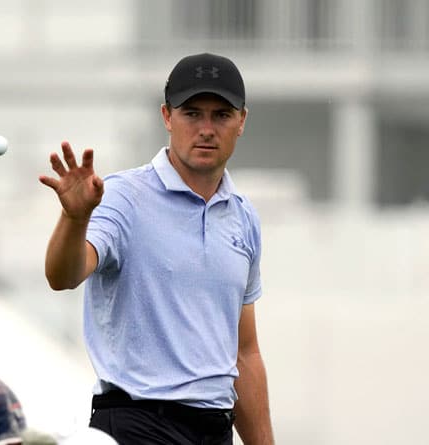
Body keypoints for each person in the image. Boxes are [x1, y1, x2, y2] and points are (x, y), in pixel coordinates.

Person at [39, 53, 275, 444]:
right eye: (192, 113)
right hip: (137, 424)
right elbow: (63, 276)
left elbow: (244, 354)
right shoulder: (123, 197)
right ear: (167, 116)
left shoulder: (243, 217)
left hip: (215, 429)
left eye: (221, 115)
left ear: (242, 121)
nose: (206, 128)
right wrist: (75, 218)